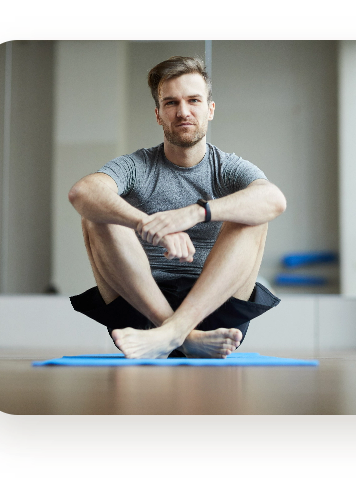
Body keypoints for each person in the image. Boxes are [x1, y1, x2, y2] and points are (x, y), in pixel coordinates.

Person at [68, 56, 286, 359]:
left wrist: (197, 212)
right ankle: (184, 335)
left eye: (193, 100)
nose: (183, 112)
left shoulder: (229, 168)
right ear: (158, 115)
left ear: (210, 109)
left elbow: (274, 199)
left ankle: (173, 332)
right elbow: (83, 192)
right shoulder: (136, 166)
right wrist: (148, 225)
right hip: (140, 309)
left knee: (252, 215)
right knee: (97, 215)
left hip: (214, 307)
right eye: (171, 103)